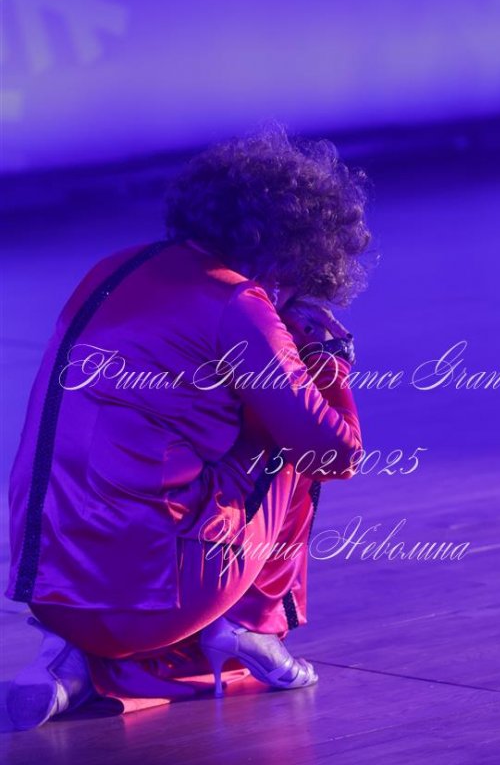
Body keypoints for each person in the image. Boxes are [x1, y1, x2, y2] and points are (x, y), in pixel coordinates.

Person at [5, 122, 375, 729]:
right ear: (289, 249)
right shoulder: (238, 302)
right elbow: (336, 452)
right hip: (149, 606)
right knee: (291, 440)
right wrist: (326, 356)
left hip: (47, 585)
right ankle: (250, 626)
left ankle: (74, 658)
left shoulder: (111, 268)